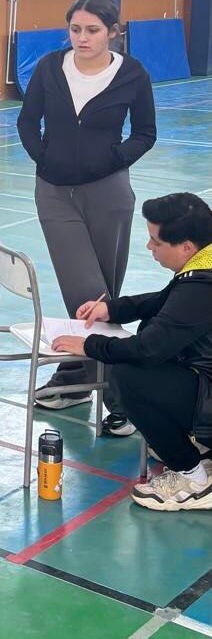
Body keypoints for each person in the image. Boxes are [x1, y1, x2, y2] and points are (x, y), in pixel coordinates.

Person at [17, 0, 156, 435]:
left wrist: (111, 161)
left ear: (113, 33)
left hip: (110, 192)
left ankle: (79, 376)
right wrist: (44, 158)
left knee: (105, 299)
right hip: (54, 193)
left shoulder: (132, 74)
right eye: (75, 29)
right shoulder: (48, 68)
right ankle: (124, 395)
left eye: (92, 30)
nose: (82, 38)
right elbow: (26, 120)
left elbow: (146, 133)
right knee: (87, 290)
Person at [53, 193, 212, 513]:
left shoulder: (202, 285)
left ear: (186, 247)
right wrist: (110, 309)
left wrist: (90, 346)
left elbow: (147, 349)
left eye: (155, 241)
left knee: (129, 376)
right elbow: (163, 300)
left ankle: (194, 479)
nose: (149, 247)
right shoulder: (204, 263)